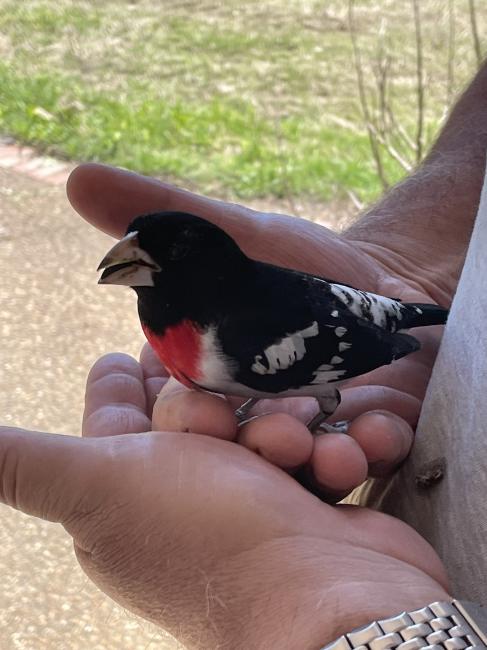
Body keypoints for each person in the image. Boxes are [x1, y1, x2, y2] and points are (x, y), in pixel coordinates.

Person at [1, 58, 487, 649]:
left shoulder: (231, 340)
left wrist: (285, 601)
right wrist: (415, 264)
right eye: (136, 251)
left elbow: (342, 344)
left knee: (310, 415)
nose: (128, 262)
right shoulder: (195, 321)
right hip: (345, 321)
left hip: (346, 334)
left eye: (157, 258)